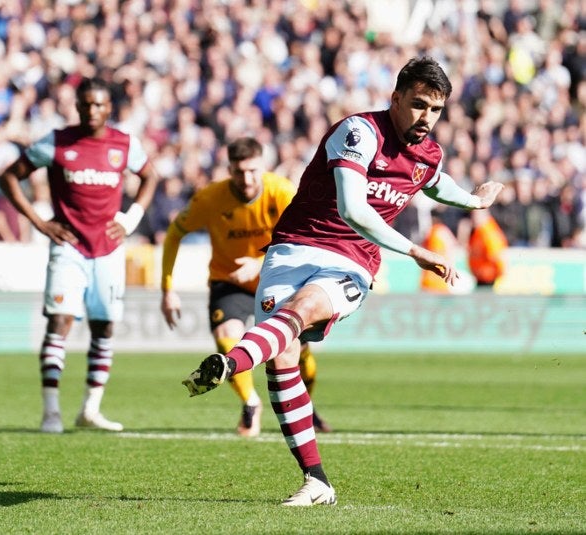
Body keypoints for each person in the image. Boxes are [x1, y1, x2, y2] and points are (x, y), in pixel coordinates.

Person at [181, 57, 504, 506]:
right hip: (294, 248)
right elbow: (354, 209)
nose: (426, 118)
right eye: (417, 105)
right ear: (395, 99)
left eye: (435, 109)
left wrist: (473, 201)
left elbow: (432, 180)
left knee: (306, 307)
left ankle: (231, 364)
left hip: (352, 260)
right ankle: (317, 482)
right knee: (283, 357)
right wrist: (417, 252)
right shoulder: (359, 133)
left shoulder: (427, 152)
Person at [0, 77, 159, 433]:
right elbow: (9, 177)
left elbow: (151, 177)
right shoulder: (57, 142)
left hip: (109, 249)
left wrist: (131, 219)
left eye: (98, 105)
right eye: (85, 104)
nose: (91, 111)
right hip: (68, 247)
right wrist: (39, 222)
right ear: (77, 106)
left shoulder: (123, 144)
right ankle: (51, 412)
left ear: (109, 109)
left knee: (104, 327)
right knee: (60, 323)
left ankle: (90, 409)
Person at [160, 137, 330, 438]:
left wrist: (258, 263)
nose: (247, 179)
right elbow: (175, 233)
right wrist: (167, 289)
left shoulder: (281, 191)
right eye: (239, 172)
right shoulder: (210, 199)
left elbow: (304, 235)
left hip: (279, 278)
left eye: (252, 170)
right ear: (229, 169)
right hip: (229, 280)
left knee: (297, 352)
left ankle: (306, 406)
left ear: (262, 166)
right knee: (227, 336)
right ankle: (251, 403)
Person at [467, 208, 508, 288]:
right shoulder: (478, 231)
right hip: (481, 277)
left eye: (475, 215)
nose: (473, 218)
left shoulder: (488, 232)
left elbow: (497, 256)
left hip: (488, 278)